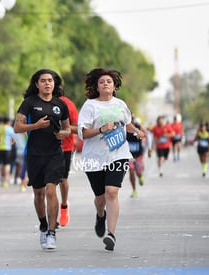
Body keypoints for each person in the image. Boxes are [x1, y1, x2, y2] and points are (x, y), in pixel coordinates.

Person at [77, 68, 145, 252]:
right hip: (94, 158)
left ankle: (111, 234)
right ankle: (100, 215)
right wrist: (101, 129)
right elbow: (82, 133)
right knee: (100, 199)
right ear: (97, 87)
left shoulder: (120, 104)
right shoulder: (90, 106)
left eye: (109, 81)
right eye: (102, 82)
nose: (106, 83)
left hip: (119, 155)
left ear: (114, 86)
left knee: (112, 192)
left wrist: (137, 131)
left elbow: (127, 123)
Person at [13, 69, 71, 250]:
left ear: (55, 84)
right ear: (37, 84)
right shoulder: (29, 103)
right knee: (38, 193)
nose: (48, 83)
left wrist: (63, 134)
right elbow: (17, 127)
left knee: (51, 190)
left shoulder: (60, 104)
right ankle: (43, 225)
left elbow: (67, 128)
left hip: (55, 153)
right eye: (43, 80)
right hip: (35, 154)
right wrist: (36, 126)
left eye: (51, 81)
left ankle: (52, 233)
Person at [58, 93, 78, 227]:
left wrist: (63, 127)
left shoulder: (68, 104)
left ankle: (64, 206)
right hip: (44, 147)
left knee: (62, 179)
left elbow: (77, 128)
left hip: (65, 147)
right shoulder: (37, 102)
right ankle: (51, 216)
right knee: (48, 183)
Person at [126, 116, 148, 198]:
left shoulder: (138, 127)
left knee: (138, 172)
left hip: (138, 155)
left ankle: (140, 176)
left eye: (132, 118)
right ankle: (134, 190)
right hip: (129, 155)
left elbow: (145, 134)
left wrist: (140, 127)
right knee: (131, 172)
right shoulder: (123, 128)